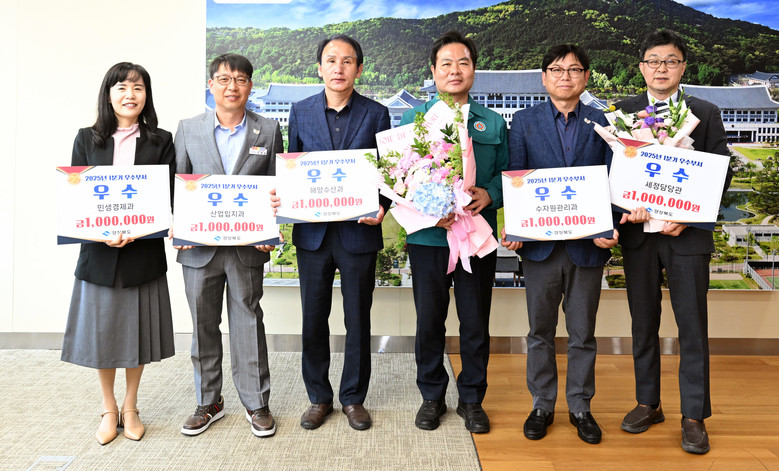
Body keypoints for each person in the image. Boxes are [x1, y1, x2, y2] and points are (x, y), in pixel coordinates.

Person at [616, 29, 731, 454]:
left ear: (683, 67)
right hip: (640, 237)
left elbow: (721, 172)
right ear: (641, 67)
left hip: (687, 235)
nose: (661, 68)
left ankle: (694, 416)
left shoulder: (705, 112)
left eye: (670, 61)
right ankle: (648, 403)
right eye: (653, 61)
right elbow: (615, 171)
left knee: (692, 326)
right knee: (643, 323)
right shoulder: (624, 113)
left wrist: (691, 214)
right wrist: (625, 205)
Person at [501, 45, 618, 445]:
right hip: (540, 248)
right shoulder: (524, 121)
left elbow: (613, 179)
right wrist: (516, 226)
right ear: (544, 77)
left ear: (586, 77)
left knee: (583, 332)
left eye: (574, 69)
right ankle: (542, 404)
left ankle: (581, 406)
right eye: (556, 69)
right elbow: (516, 177)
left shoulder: (603, 122)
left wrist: (610, 225)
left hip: (588, 245)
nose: (565, 76)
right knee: (540, 330)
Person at [61, 62, 175, 445]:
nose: (130, 95)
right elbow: (77, 197)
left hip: (143, 252)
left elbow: (166, 198)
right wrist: (102, 233)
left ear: (147, 95)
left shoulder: (161, 140)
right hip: (99, 253)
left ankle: (131, 405)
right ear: (108, 94)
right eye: (122, 87)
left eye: (138, 88)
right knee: (104, 332)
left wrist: (138, 230)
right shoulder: (86, 138)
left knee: (136, 332)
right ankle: (109, 407)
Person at [399, 30, 508, 434]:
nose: (455, 70)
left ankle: (472, 399)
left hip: (476, 234)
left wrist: (490, 193)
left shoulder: (492, 122)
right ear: (433, 71)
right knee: (429, 320)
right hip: (429, 237)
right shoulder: (413, 121)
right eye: (446, 63)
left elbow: (507, 174)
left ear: (474, 70)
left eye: (463, 62)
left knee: (475, 320)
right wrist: (430, 211)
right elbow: (398, 177)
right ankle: (432, 396)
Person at [284, 34, 391, 431]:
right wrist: (286, 198)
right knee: (313, 318)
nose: (339, 68)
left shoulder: (377, 113)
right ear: (320, 68)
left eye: (347, 61)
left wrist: (383, 206)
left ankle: (353, 398)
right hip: (312, 235)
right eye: (331, 60)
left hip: (359, 233)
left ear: (358, 69)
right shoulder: (300, 111)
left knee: (357, 318)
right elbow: (292, 166)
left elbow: (388, 172)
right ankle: (318, 397)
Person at [174, 53, 283, 438]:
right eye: (223, 79)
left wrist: (270, 227)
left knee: (248, 322)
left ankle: (257, 403)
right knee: (203, 325)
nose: (231, 86)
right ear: (211, 85)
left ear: (250, 86)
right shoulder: (188, 129)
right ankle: (209, 402)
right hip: (198, 249)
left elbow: (276, 186)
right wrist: (180, 227)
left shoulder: (268, 130)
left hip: (247, 247)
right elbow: (177, 184)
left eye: (240, 79)